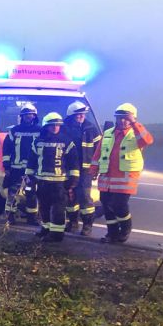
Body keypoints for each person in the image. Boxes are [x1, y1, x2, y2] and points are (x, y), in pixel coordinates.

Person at [90, 103, 154, 243]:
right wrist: (93, 169)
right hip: (107, 176)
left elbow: (147, 140)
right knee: (106, 205)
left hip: (125, 177)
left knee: (119, 205)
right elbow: (98, 153)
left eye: (126, 118)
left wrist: (134, 123)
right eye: (120, 118)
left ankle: (125, 230)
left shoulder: (136, 133)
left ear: (132, 119)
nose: (122, 121)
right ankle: (112, 234)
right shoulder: (107, 133)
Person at [25, 112, 80, 242]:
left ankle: (57, 234)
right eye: (52, 125)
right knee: (44, 207)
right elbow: (31, 160)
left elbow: (74, 162)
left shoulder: (67, 142)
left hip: (59, 182)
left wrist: (73, 179)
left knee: (58, 209)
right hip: (42, 181)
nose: (55, 127)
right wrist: (29, 177)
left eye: (57, 125)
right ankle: (46, 229)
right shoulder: (37, 142)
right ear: (46, 126)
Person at [62, 101, 102, 235]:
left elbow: (99, 149)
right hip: (68, 168)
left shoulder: (91, 128)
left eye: (83, 114)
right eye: (78, 114)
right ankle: (72, 223)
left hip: (85, 170)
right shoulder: (64, 128)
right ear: (71, 116)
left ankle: (87, 225)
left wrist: (97, 167)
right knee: (70, 197)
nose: (81, 116)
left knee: (84, 196)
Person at [1, 103, 41, 225]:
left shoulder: (40, 131)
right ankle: (10, 215)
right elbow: (7, 149)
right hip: (15, 168)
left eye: (31, 114)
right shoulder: (14, 131)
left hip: (31, 169)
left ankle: (32, 217)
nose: (29, 116)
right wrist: (6, 166)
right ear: (22, 117)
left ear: (34, 116)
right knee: (13, 192)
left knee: (30, 191)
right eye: (26, 115)